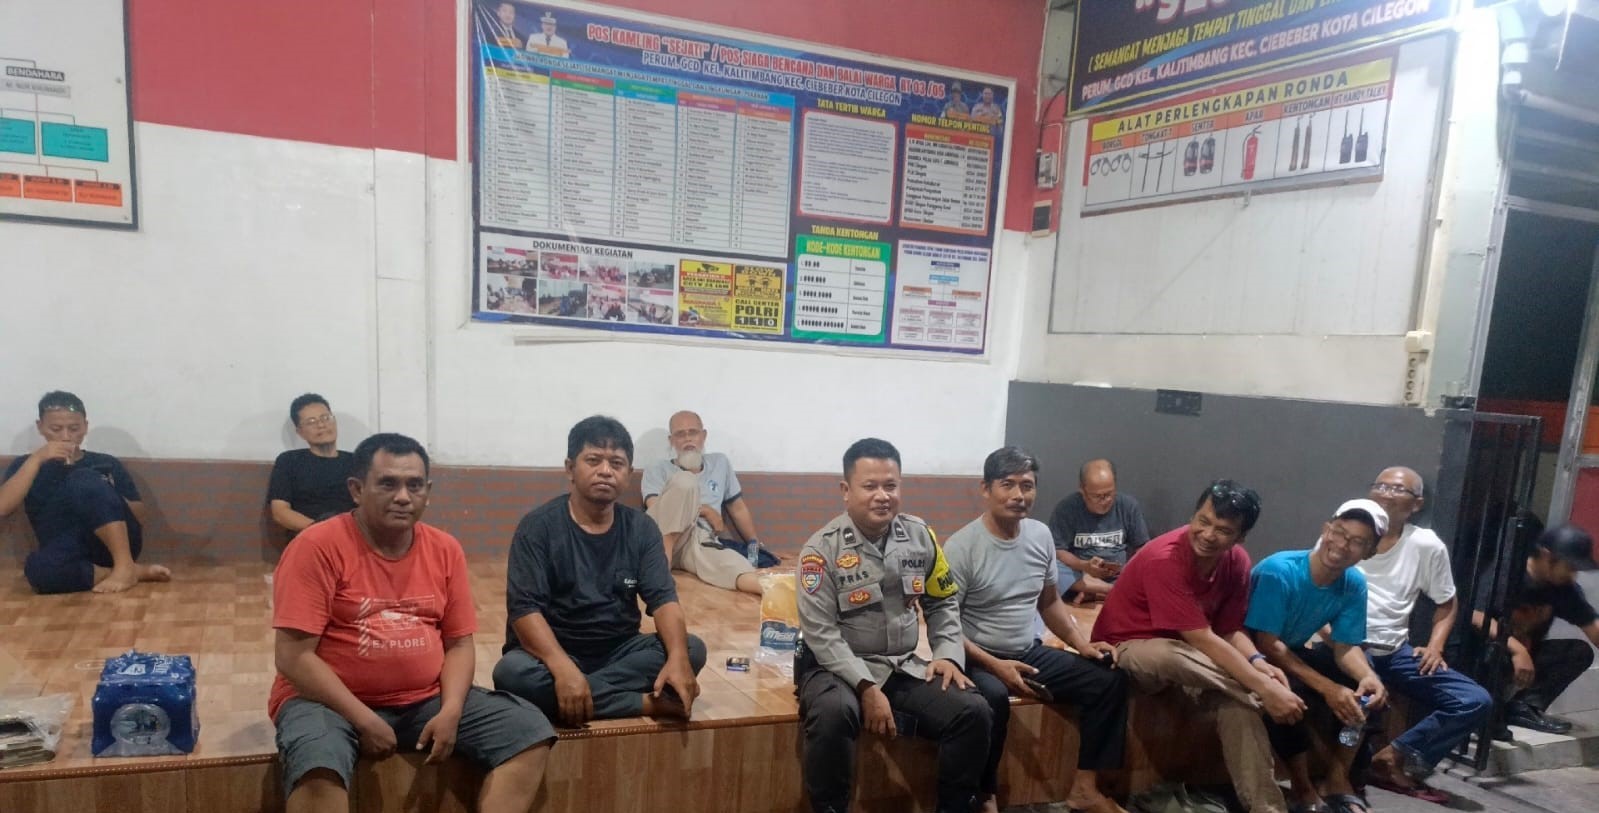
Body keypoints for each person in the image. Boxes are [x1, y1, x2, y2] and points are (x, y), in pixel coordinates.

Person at [269, 433, 553, 813]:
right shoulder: (315, 547)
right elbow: (293, 657)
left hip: (423, 700)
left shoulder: (445, 549)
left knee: (529, 731)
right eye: (388, 484)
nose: (403, 496)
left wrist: (451, 710)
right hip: (326, 702)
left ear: (427, 492)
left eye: (414, 485)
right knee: (318, 762)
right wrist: (363, 719)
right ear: (356, 489)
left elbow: (459, 644)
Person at [796, 438, 991, 813]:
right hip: (835, 668)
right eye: (870, 486)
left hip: (900, 665)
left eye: (891, 485)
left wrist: (948, 654)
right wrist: (866, 686)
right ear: (846, 490)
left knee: (973, 711)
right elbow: (821, 633)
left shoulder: (920, 536)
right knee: (834, 713)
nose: (882, 496)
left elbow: (942, 601)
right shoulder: (821, 551)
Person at [1091, 480, 1304, 813]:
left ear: (1240, 537)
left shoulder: (1237, 562)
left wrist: (1256, 661)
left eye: (1223, 530)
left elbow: (1230, 630)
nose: (1207, 534)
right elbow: (1199, 637)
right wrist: (1263, 687)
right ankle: (1258, 692)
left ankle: (1267, 808)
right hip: (1129, 651)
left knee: (1240, 706)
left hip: (1198, 662)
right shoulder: (1165, 557)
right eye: (1203, 521)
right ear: (1193, 515)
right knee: (1172, 654)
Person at [943, 447, 1128, 813]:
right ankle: (985, 793)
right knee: (991, 698)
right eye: (1007, 484)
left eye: (1026, 486)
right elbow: (945, 626)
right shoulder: (961, 547)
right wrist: (996, 666)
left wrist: (1082, 645)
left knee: (1109, 680)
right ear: (986, 489)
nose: (1019, 495)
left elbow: (1050, 603)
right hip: (976, 657)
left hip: (1028, 651)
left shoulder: (1040, 535)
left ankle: (1085, 788)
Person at [493, 415, 706, 724]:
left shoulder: (641, 529)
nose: (606, 471)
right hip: (553, 652)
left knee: (691, 649)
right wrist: (562, 668)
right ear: (570, 468)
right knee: (513, 674)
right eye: (593, 460)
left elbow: (664, 601)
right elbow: (524, 612)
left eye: (616, 463)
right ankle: (645, 703)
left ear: (628, 474)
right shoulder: (538, 528)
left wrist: (677, 658)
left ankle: (576, 696)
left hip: (619, 650)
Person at [1354, 467, 1490, 803]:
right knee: (1355, 703)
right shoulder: (1349, 531)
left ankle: (1394, 756)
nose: (1386, 493)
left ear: (1416, 504)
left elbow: (1447, 601)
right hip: (1350, 646)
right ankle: (1342, 775)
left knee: (1474, 700)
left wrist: (1435, 646)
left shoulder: (1425, 544)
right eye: (1381, 486)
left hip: (1394, 651)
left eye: (1397, 489)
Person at [1248, 500, 1390, 813]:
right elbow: (1267, 644)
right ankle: (1302, 787)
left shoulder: (1354, 584)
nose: (1342, 545)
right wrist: (1328, 688)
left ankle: (1338, 777)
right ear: (1326, 530)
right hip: (1253, 652)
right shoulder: (1279, 570)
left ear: (1370, 552)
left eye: (1357, 541)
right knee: (1287, 697)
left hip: (1290, 650)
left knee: (1368, 697)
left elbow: (1345, 646)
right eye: (1339, 533)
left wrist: (1367, 676)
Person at [0, 391, 170, 594]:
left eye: (74, 429)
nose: (65, 436)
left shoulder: (104, 462)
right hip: (66, 548)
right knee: (38, 570)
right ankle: (131, 572)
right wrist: (36, 459)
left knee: (83, 478)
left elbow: (139, 516)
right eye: (56, 429)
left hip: (114, 544)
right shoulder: (25, 464)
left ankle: (124, 564)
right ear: (41, 427)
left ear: (85, 427)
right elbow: (3, 507)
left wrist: (104, 493)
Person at [1472, 522, 1599, 736]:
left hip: (1525, 654)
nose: (1573, 575)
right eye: (1570, 567)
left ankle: (1523, 708)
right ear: (1547, 556)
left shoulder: (1562, 588)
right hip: (1485, 654)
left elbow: (1593, 627)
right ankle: (1486, 712)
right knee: (1496, 654)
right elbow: (1476, 616)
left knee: (1578, 652)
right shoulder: (1508, 572)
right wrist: (1517, 650)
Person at [642, 410, 764, 596]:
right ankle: (661, 570)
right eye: (680, 434)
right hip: (661, 539)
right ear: (671, 440)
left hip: (699, 541)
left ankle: (781, 594)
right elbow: (656, 509)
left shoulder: (720, 463)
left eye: (693, 432)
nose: (688, 439)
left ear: (703, 435)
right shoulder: (657, 468)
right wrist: (705, 510)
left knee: (736, 566)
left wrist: (754, 544)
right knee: (685, 481)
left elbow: (738, 508)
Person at [1048, 458, 1150, 602]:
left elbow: (1142, 547)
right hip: (1081, 576)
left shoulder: (1128, 506)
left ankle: (1096, 592)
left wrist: (1129, 569)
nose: (1105, 501)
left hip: (1119, 576)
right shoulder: (1066, 509)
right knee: (1048, 567)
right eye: (1097, 496)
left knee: (1152, 565)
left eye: (1109, 494)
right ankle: (1108, 591)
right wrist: (1084, 566)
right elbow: (1058, 551)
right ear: (1082, 490)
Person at [267, 394, 356, 537]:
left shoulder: (356, 461)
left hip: (351, 536)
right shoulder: (289, 461)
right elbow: (280, 512)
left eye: (325, 418)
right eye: (311, 421)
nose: (321, 425)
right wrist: (324, 530)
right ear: (300, 432)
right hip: (309, 538)